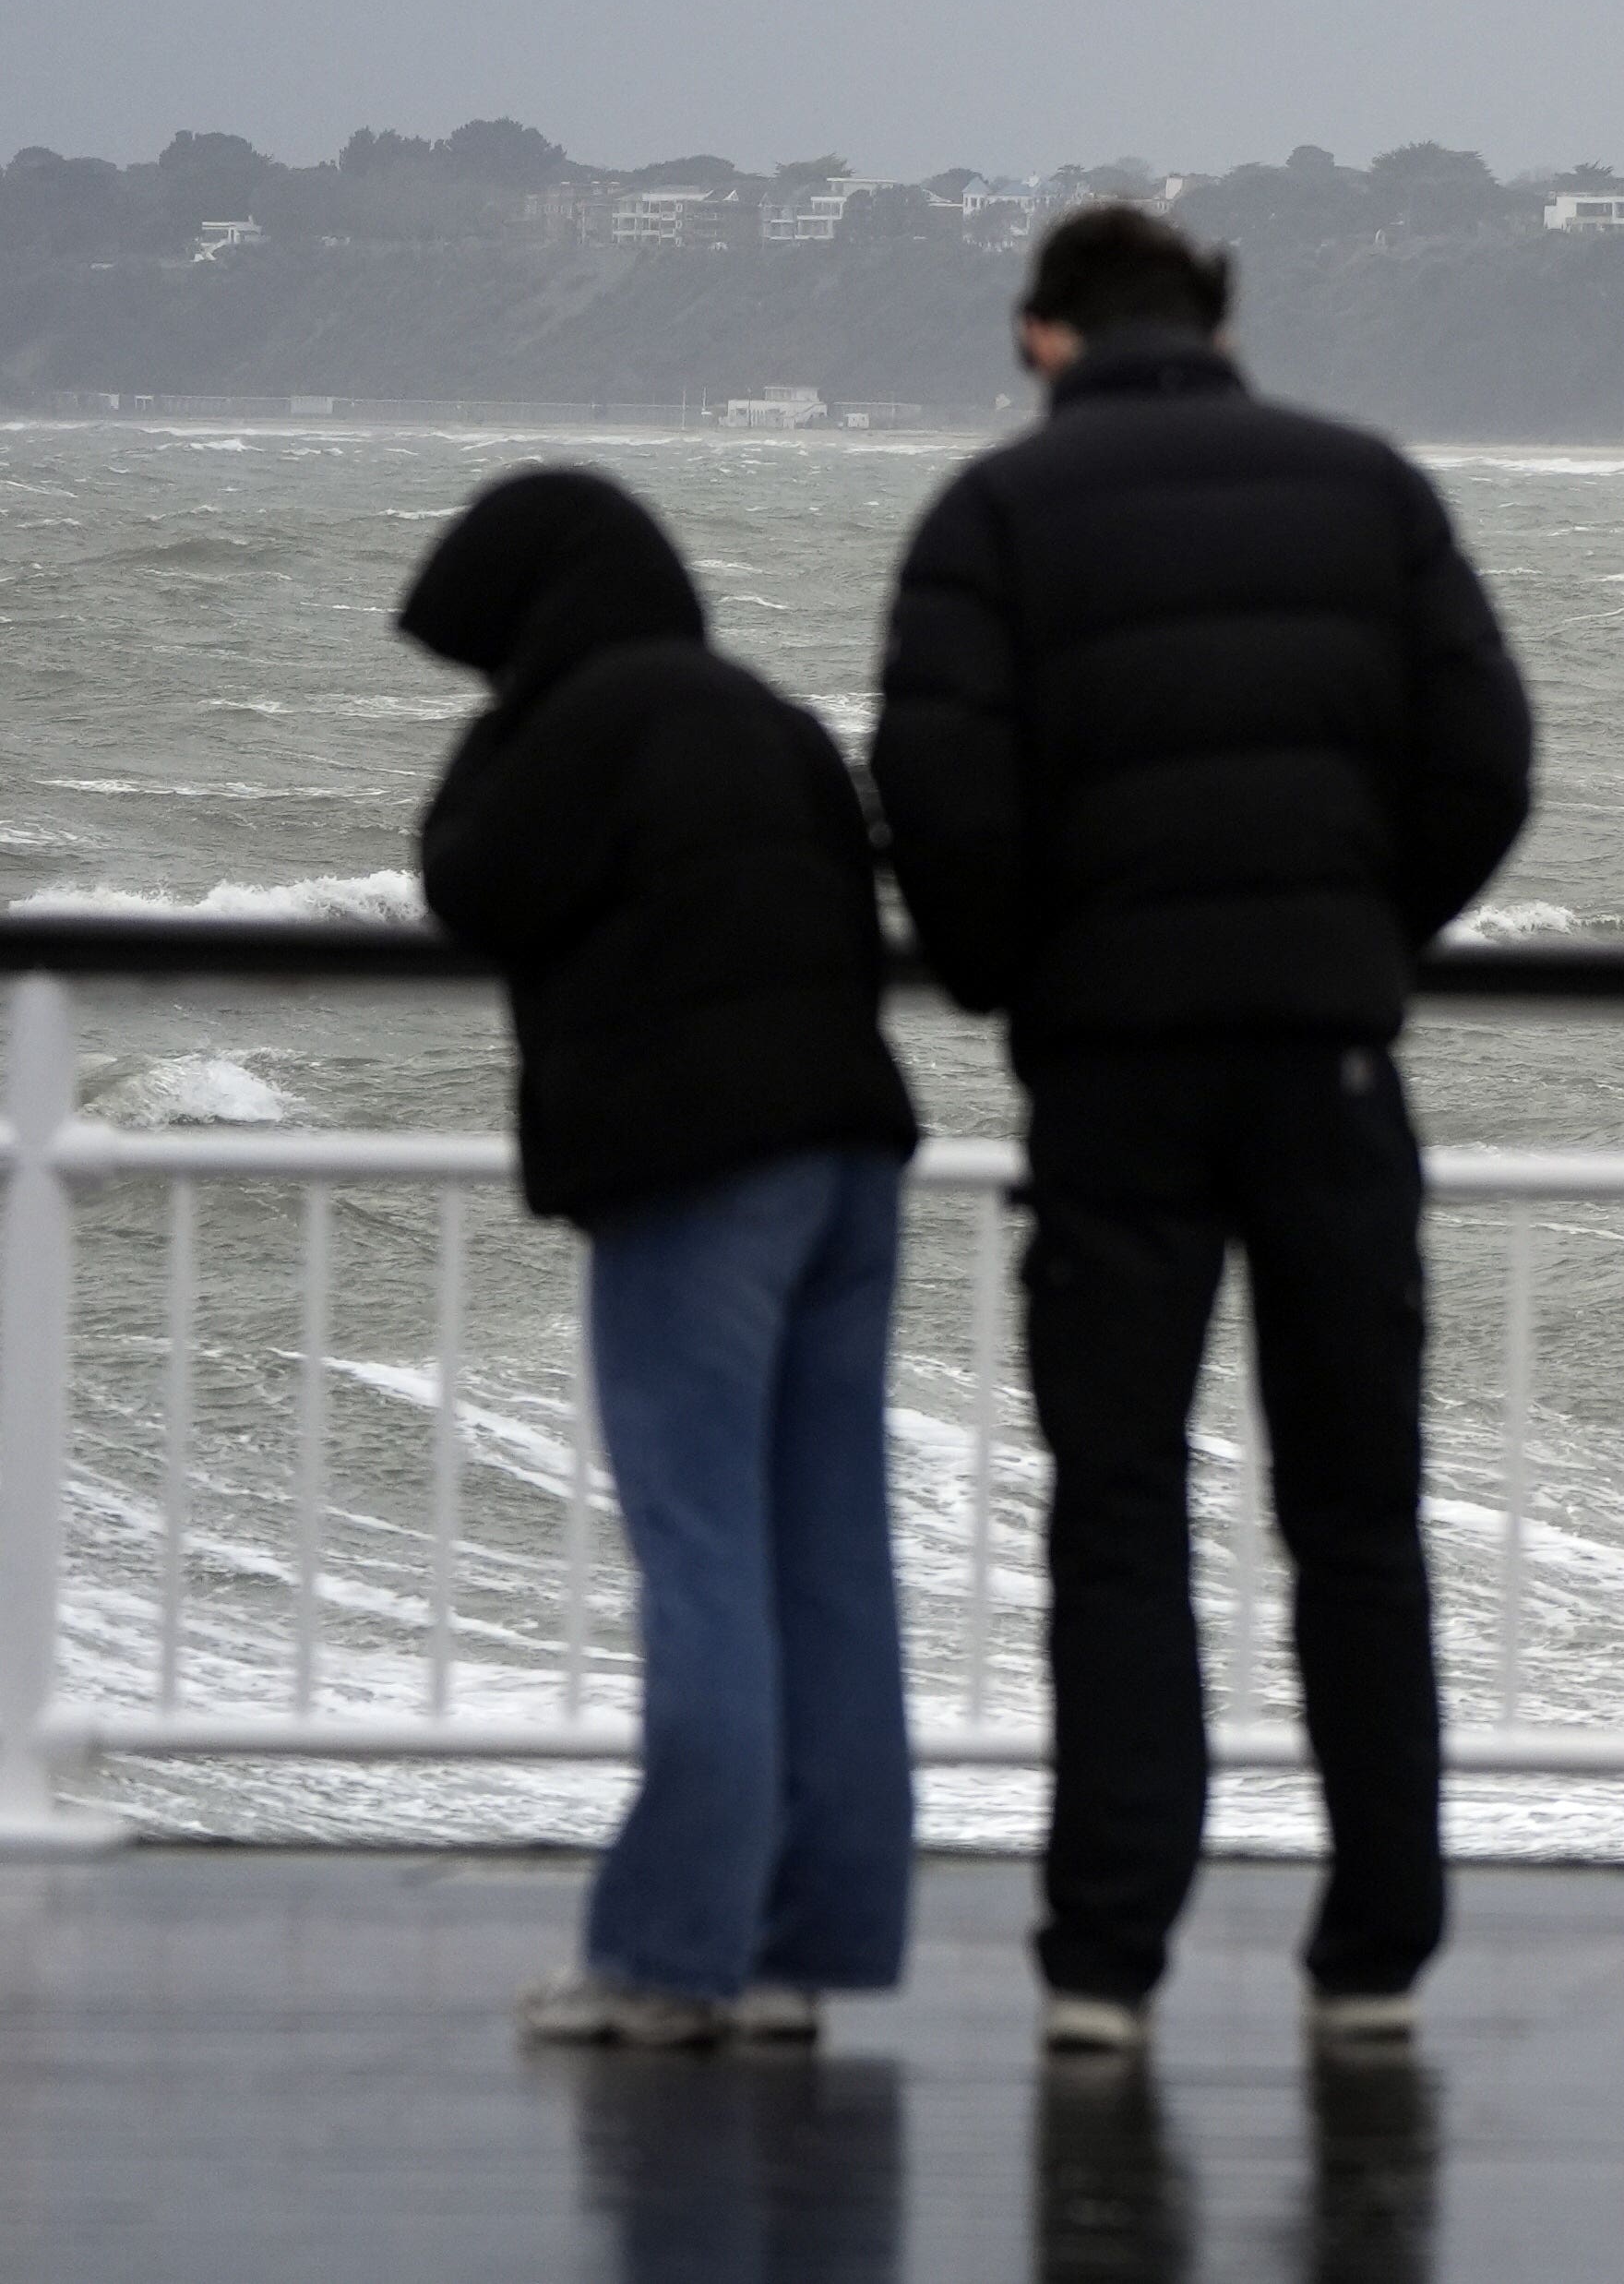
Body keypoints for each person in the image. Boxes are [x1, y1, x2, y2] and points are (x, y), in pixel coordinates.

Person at [872, 202, 1534, 2058]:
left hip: (1112, 1078)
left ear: (1039, 337)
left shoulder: (992, 519)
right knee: (1355, 1515)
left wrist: (1022, 975)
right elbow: (1487, 758)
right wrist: (1360, 931)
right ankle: (1375, 1955)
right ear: (1221, 318)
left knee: (1119, 1511)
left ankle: (1106, 1958)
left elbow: (933, 785)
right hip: (1327, 1063)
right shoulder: (1366, 488)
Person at [400, 467, 923, 2052]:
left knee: (700, 1560)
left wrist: (507, 721)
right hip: (853, 1162)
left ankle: (667, 1957)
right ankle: (798, 1948)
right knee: (827, 1563)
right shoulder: (765, 714)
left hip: (701, 1177)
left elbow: (467, 880)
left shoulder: (578, 720)